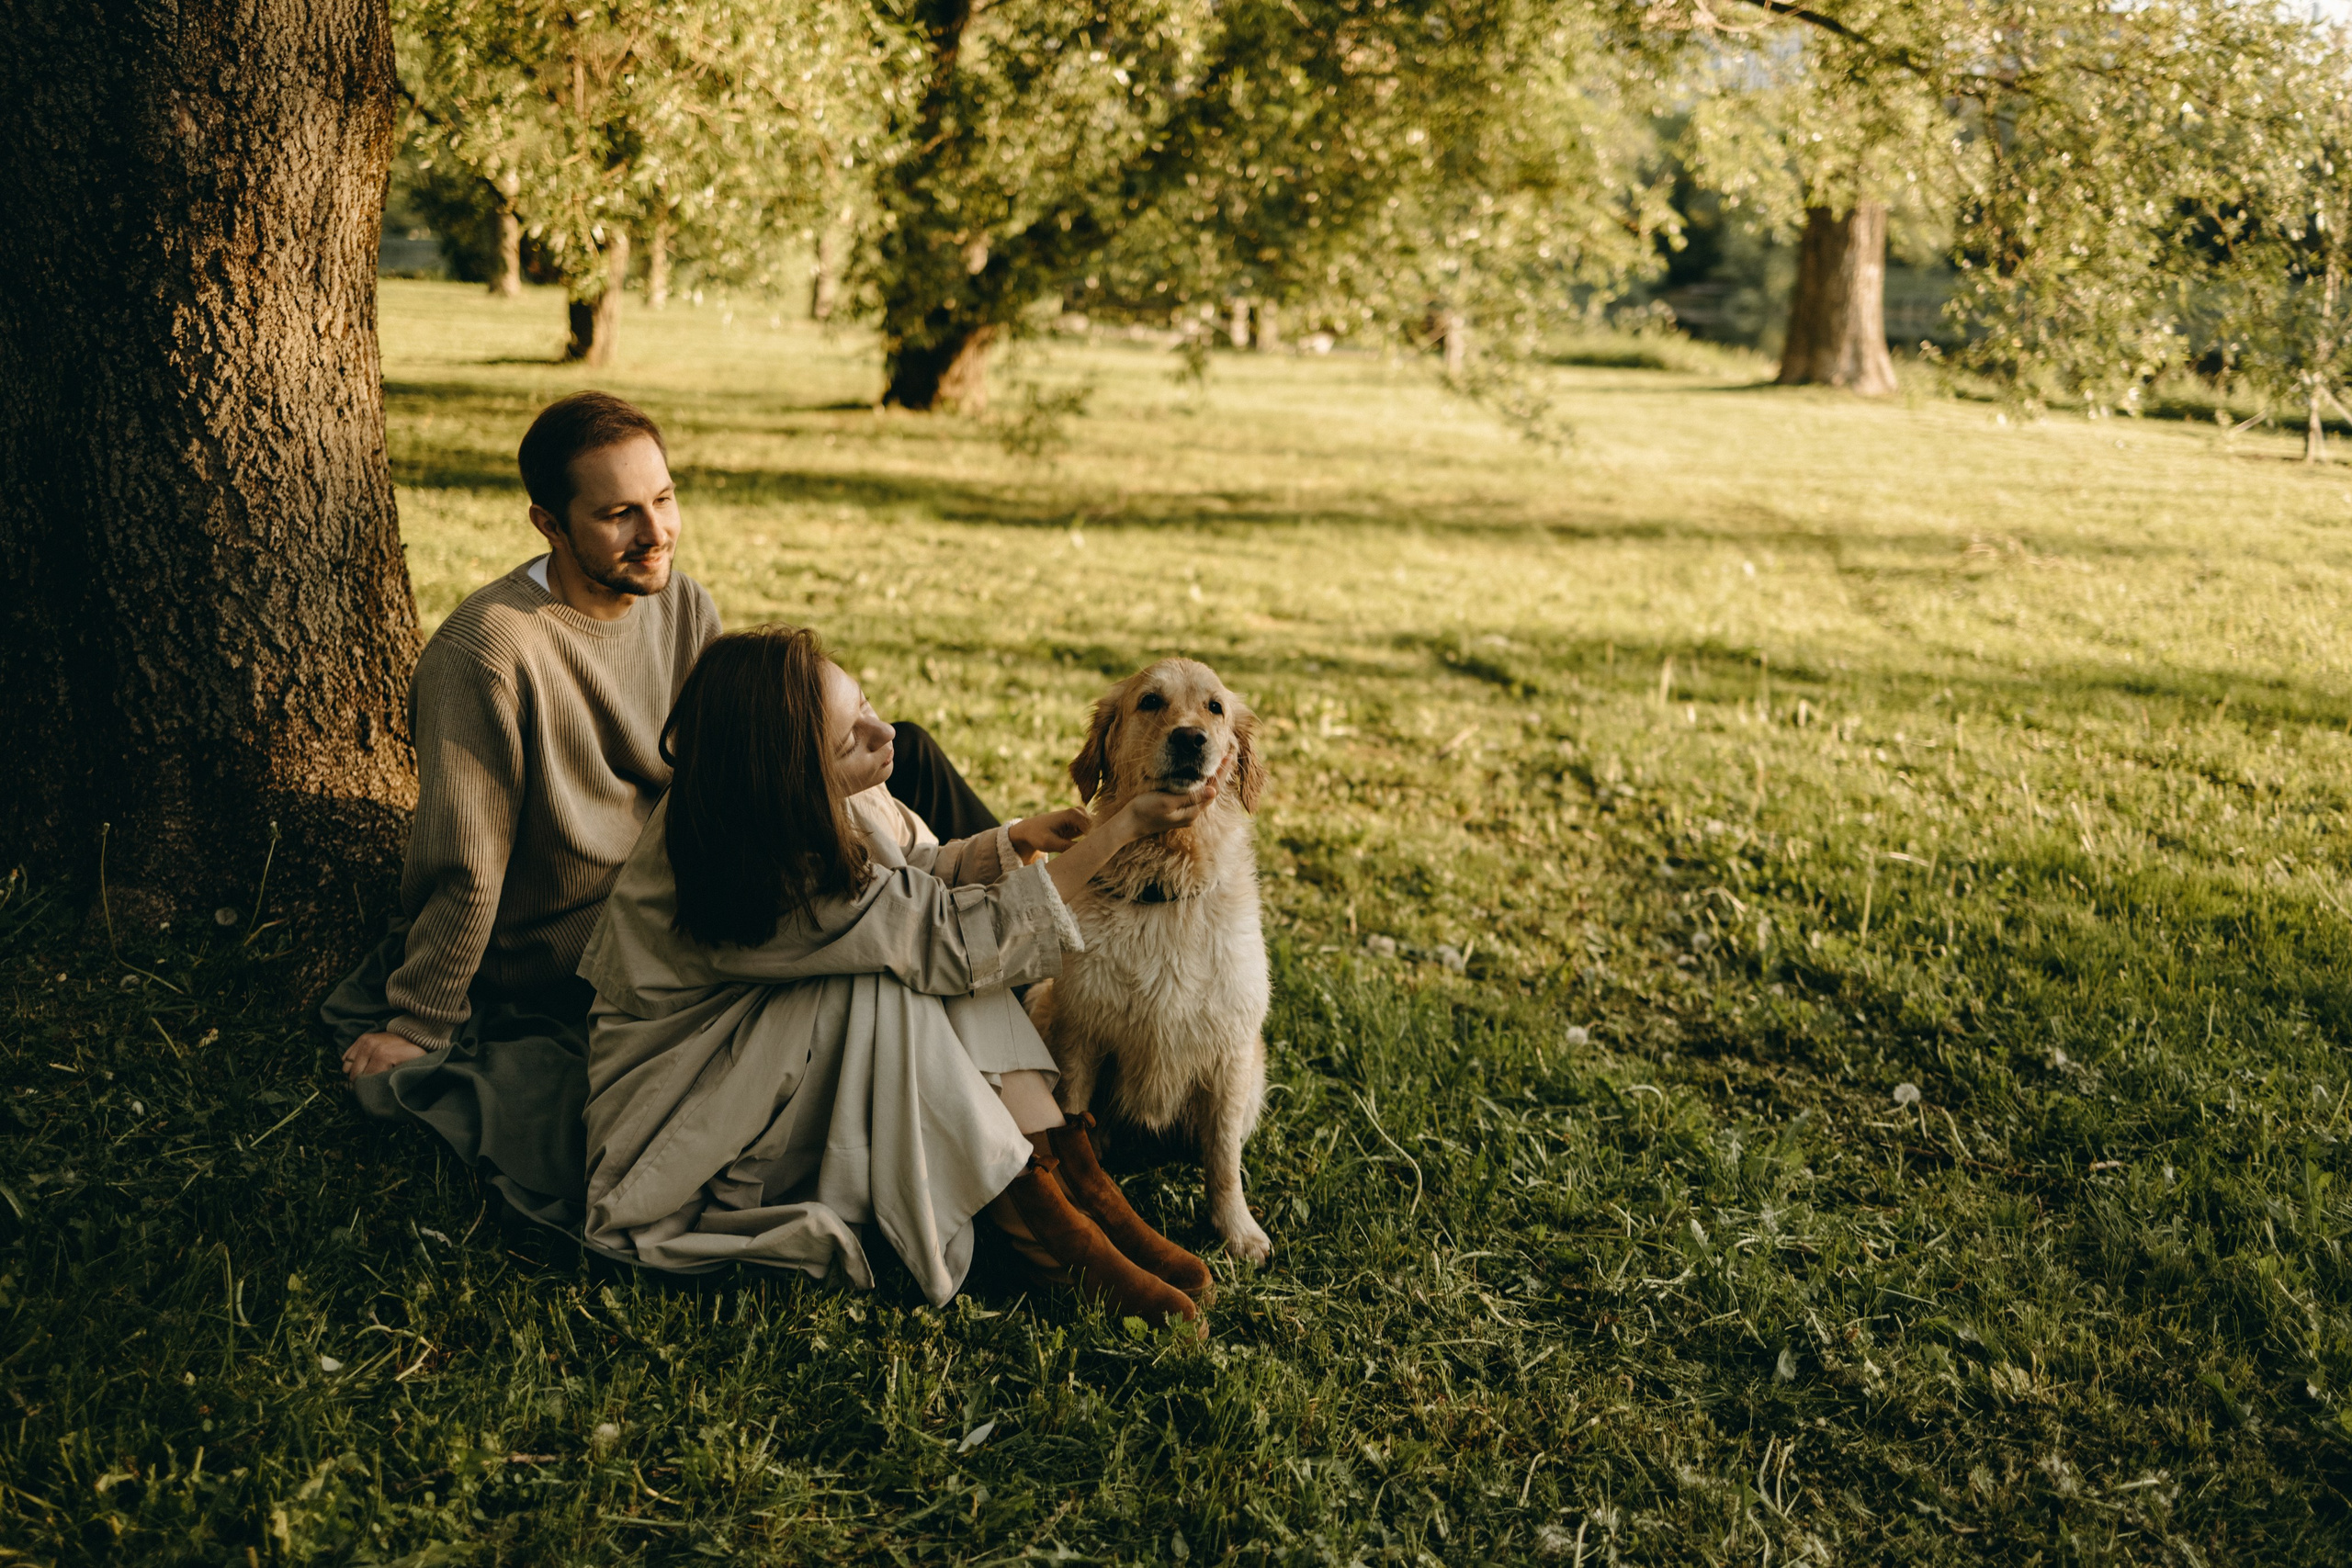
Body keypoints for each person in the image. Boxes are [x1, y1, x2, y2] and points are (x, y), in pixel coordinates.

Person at [322, 390, 1002, 1232]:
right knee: (858, 917)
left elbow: (727, 773)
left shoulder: (685, 606)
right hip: (590, 938)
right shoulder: (488, 653)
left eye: (664, 499)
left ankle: (1024, 953)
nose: (656, 534)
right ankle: (984, 1028)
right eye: (618, 515)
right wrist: (420, 1022)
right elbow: (467, 863)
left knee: (910, 757)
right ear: (549, 523)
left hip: (688, 866)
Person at [576, 627, 1216, 1323]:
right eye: (851, 736)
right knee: (897, 980)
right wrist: (1113, 834)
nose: (885, 733)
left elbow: (915, 874)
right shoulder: (758, 849)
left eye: (867, 703)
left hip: (774, 1065)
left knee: (920, 955)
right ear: (792, 767)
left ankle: (1069, 1180)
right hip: (692, 1112)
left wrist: (1014, 840)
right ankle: (1035, 1223)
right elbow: (936, 933)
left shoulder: (821, 793)